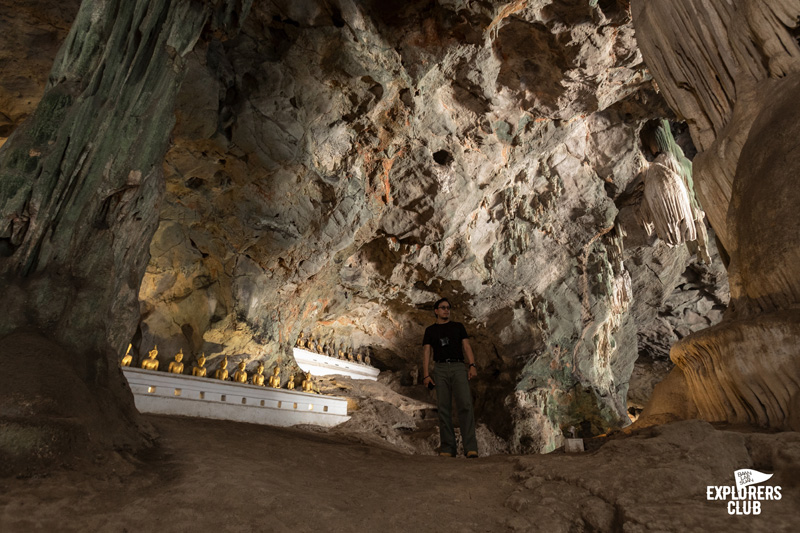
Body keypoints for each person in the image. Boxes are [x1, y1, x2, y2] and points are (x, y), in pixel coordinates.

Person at [422, 298, 479, 458]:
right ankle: (448, 448)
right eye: (443, 308)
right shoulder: (430, 331)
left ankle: (470, 447)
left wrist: (472, 365)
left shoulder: (458, 327)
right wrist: (426, 374)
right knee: (443, 408)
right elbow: (427, 352)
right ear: (436, 311)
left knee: (465, 405)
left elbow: (466, 346)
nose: (446, 310)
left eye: (448, 308)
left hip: (458, 367)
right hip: (439, 368)